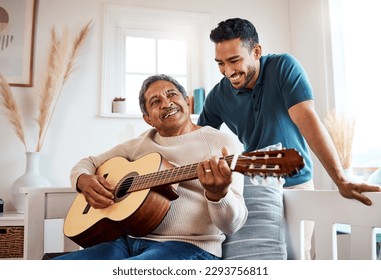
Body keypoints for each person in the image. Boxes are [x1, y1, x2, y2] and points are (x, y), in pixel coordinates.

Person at [197, 18, 380, 260]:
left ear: (257, 52)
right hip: (255, 187)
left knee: (299, 257)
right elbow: (198, 139)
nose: (228, 71)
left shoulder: (283, 67)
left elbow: (307, 120)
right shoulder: (218, 95)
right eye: (220, 63)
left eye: (234, 60)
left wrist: (340, 179)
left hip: (297, 182)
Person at [55, 74, 247, 260]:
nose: (166, 103)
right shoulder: (140, 144)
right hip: (127, 242)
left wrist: (218, 194)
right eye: (155, 102)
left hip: (189, 247)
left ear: (187, 102)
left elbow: (232, 225)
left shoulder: (221, 143)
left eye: (172, 94)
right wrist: (83, 180)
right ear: (148, 118)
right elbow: (87, 163)